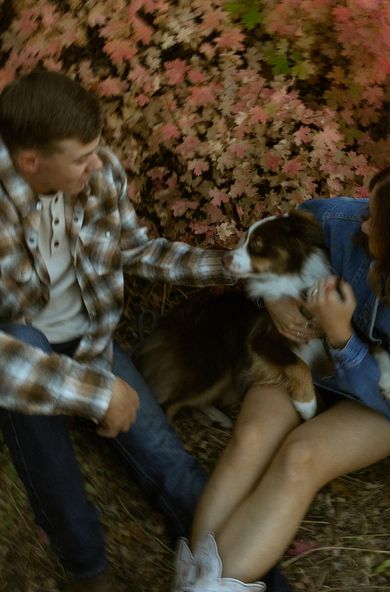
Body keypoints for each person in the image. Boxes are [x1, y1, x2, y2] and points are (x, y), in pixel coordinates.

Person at [0, 70, 293, 592]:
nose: (99, 164)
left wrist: (232, 266)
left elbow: (136, 251)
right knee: (54, 463)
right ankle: (87, 568)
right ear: (30, 162)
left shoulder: (101, 175)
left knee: (173, 466)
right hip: (21, 358)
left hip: (90, 341)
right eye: (82, 157)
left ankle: (250, 577)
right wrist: (97, 394)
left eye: (97, 150)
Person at [171, 149, 390, 591]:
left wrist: (343, 339)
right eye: (370, 208)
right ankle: (196, 581)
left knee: (301, 457)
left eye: (379, 219)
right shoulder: (336, 222)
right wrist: (273, 296)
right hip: (311, 363)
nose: (364, 222)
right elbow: (268, 249)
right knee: (253, 436)